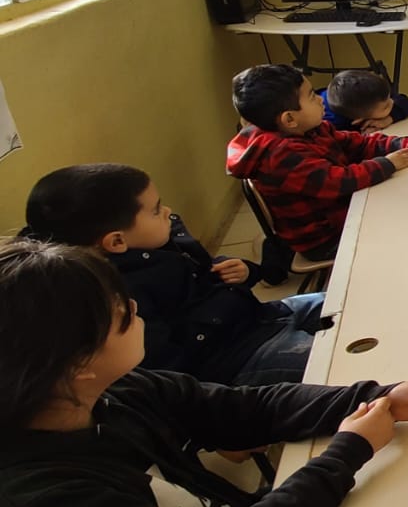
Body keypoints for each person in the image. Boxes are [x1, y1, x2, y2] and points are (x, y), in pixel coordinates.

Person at [0, 239, 408, 507]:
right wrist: (349, 451)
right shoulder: (53, 495)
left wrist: (380, 396)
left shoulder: (115, 390)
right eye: (121, 314)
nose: (136, 308)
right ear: (78, 365)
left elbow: (242, 407)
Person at [22, 163, 324, 386]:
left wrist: (243, 272)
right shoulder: (117, 297)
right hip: (239, 359)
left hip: (260, 318)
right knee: (336, 365)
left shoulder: (163, 243)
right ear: (117, 241)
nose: (167, 211)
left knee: (349, 301)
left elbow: (202, 280)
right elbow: (170, 368)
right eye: (155, 210)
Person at [226, 64, 408, 262]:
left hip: (342, 212)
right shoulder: (281, 155)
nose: (320, 99)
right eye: (312, 95)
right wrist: (388, 164)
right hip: (325, 239)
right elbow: (339, 182)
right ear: (289, 119)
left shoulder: (312, 128)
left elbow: (357, 144)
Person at [319, 69, 408, 133]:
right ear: (358, 119)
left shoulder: (371, 95)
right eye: (386, 107)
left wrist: (389, 118)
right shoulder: (331, 126)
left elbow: (403, 100)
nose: (392, 102)